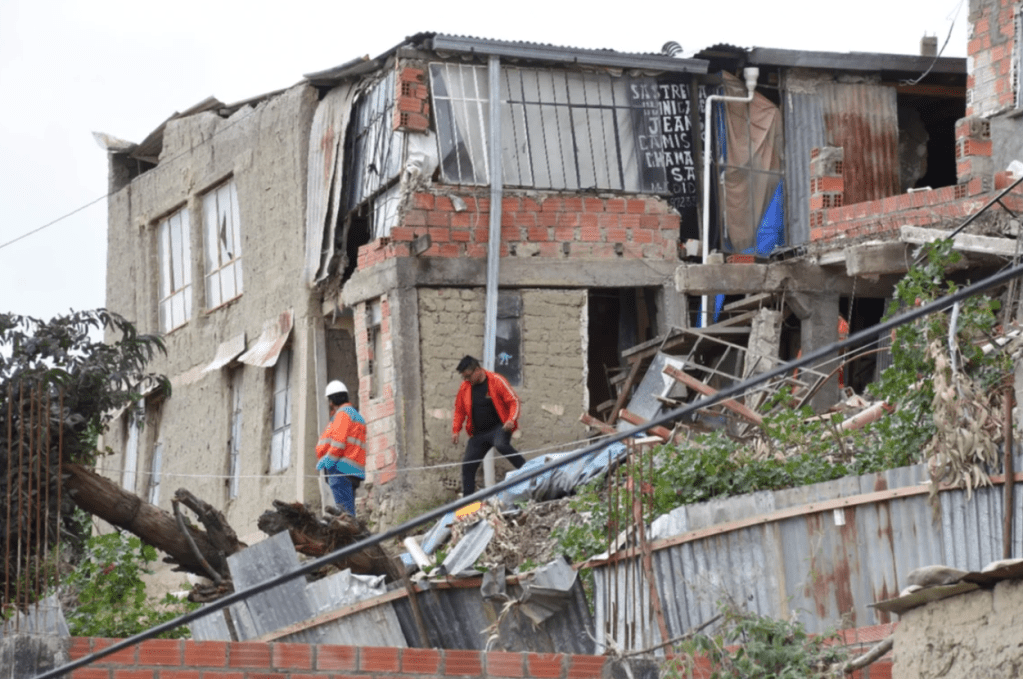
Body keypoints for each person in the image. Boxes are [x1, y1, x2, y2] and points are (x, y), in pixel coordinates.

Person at [451, 355, 526, 496]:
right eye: (464, 378)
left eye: (468, 376)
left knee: (501, 445)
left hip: (499, 427)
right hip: (478, 433)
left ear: (478, 370)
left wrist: (511, 419)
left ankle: (528, 471)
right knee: (467, 465)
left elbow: (514, 401)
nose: (467, 380)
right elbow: (459, 410)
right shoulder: (465, 387)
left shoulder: (496, 380)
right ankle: (468, 502)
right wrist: (456, 430)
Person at [315, 380, 366, 516]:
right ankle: (355, 535)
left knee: (345, 514)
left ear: (332, 400)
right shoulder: (356, 415)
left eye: (330, 401)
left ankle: (354, 537)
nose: (330, 404)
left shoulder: (343, 414)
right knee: (348, 511)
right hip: (353, 471)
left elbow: (338, 444)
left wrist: (328, 461)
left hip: (340, 470)